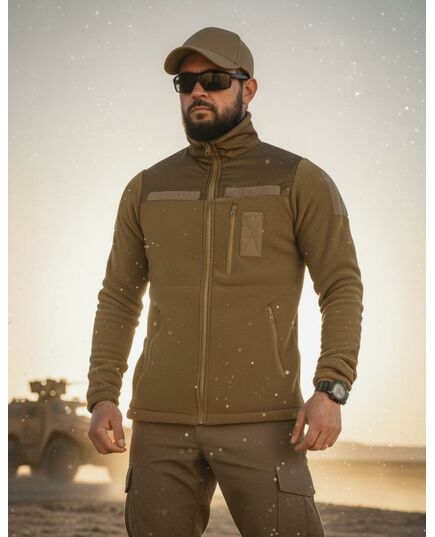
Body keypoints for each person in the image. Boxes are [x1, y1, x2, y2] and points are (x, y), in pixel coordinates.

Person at [86, 26, 363, 537]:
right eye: (186, 82)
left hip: (265, 421)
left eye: (214, 80)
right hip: (161, 424)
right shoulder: (146, 188)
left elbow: (341, 286)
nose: (198, 91)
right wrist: (103, 394)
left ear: (248, 89)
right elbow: (119, 300)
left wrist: (331, 388)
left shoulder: (297, 180)